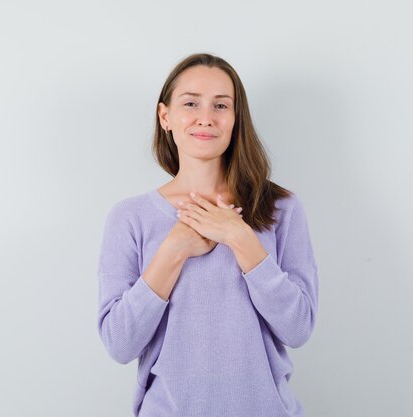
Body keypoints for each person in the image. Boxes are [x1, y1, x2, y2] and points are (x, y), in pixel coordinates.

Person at [97, 52, 319, 417]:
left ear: (235, 119)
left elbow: (298, 329)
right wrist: (173, 250)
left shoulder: (281, 208)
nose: (206, 117)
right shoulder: (129, 217)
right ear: (165, 116)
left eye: (221, 105)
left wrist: (242, 239)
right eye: (190, 103)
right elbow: (120, 344)